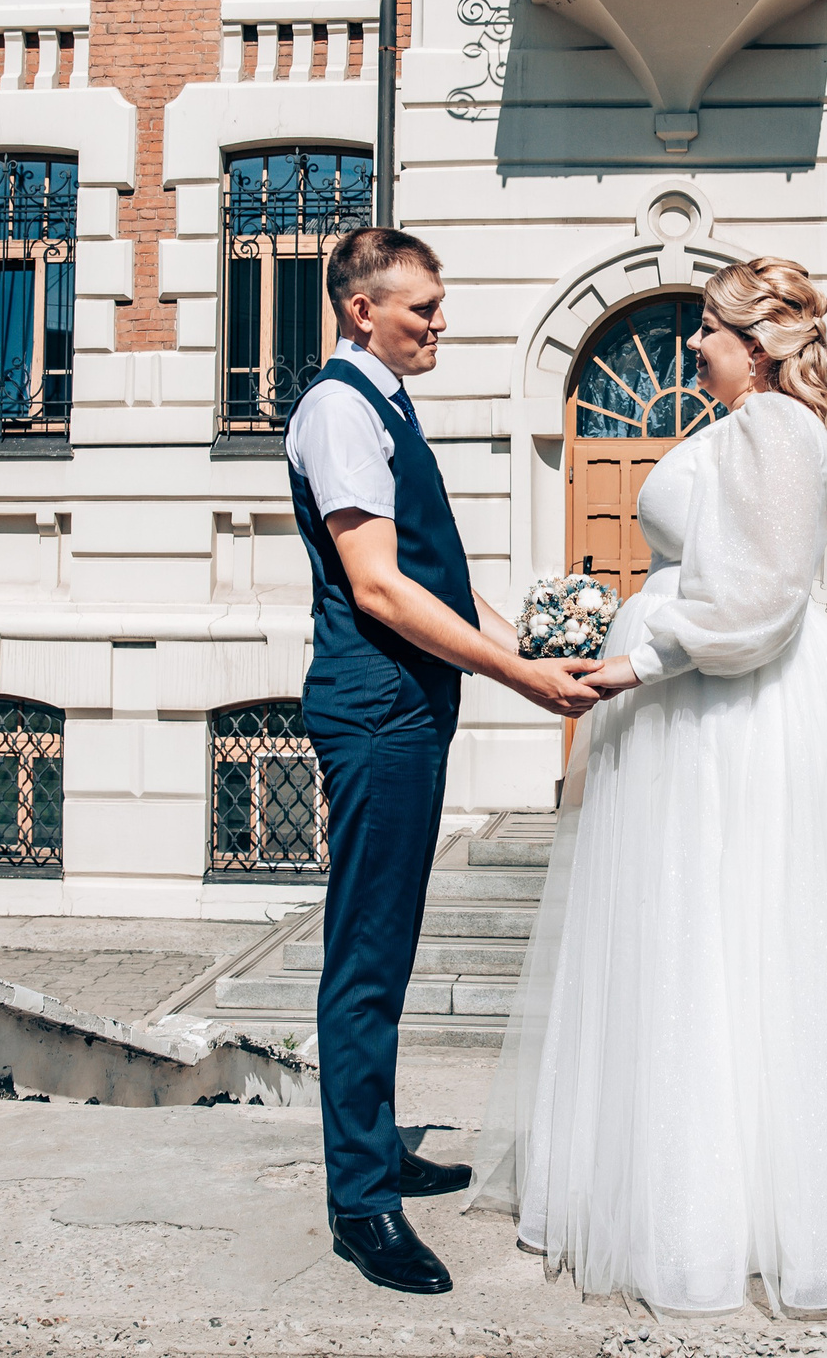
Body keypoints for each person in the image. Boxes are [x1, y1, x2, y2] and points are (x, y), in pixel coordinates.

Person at [470, 257, 827, 1315]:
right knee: (689, 946)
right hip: (700, 717)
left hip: (741, 715)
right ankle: (691, 1198)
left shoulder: (775, 430)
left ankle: (752, 1215)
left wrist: (638, 658)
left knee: (744, 939)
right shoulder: (744, 429)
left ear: (757, 344)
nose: (692, 346)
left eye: (708, 329)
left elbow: (757, 600)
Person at [285, 227, 605, 1297]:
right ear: (360, 306)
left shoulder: (382, 400)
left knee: (389, 940)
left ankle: (374, 1148)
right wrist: (520, 682)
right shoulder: (338, 409)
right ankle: (361, 1203)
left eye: (437, 303)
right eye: (421, 305)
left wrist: (534, 644)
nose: (439, 321)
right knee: (365, 954)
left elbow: (436, 575)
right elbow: (377, 589)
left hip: (407, 706)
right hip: (374, 712)